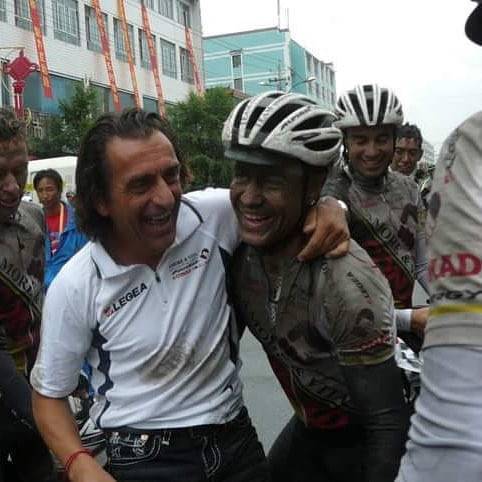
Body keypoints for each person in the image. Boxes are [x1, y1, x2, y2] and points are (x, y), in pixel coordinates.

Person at [30, 108, 349, 482]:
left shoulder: (214, 216)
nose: (165, 198)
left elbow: (287, 198)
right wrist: (80, 465)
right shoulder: (76, 284)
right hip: (144, 458)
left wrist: (331, 206)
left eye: (171, 175)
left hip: (235, 442)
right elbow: (48, 395)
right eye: (141, 185)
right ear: (101, 200)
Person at [224, 92, 407, 482]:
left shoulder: (344, 280)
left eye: (272, 180)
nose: (250, 197)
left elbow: (386, 424)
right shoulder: (238, 251)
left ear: (314, 185)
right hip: (311, 431)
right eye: (241, 174)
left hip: (366, 442)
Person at [396, 2, 482, 480]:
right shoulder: (468, 152)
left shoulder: (421, 188)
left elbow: (427, 264)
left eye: (410, 151)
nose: (403, 158)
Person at [324, 84, 430, 343]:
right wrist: (409, 319)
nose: (371, 151)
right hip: (354, 339)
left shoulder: (409, 189)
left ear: (394, 139)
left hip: (405, 331)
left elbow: (422, 263)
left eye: (381, 139)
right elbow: (329, 298)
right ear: (345, 142)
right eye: (360, 140)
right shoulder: (331, 196)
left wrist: (455, 300)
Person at [0, 108, 55, 481]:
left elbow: (40, 301)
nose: (12, 187)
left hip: (34, 374)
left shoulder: (34, 219)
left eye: (19, 171)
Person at [33, 169, 87, 290]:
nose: (45, 195)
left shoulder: (78, 220)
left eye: (49, 189)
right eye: (40, 190)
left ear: (60, 190)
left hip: (72, 288)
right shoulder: (34, 221)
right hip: (43, 291)